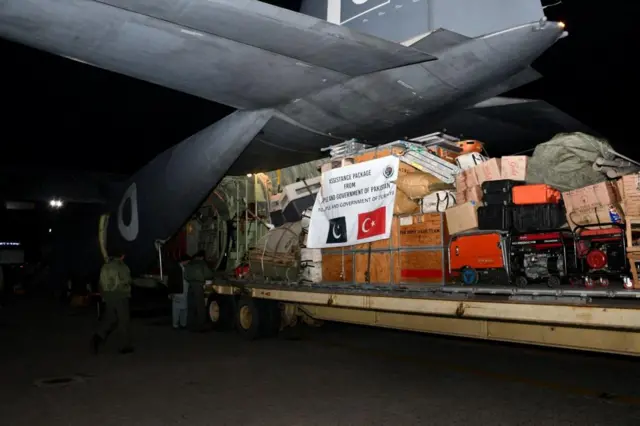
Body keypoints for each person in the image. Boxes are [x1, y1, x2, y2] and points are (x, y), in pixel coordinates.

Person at [91, 251, 133, 354]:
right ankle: (124, 346)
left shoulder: (106, 266)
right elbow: (126, 280)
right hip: (120, 295)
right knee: (123, 320)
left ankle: (98, 337)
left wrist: (104, 295)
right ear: (121, 256)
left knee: (110, 318)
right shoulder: (121, 266)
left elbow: (100, 283)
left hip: (108, 296)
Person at [184, 250, 214, 331]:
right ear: (201, 257)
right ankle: (201, 324)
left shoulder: (189, 264)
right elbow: (209, 274)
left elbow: (185, 276)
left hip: (190, 286)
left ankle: (189, 323)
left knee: (191, 305)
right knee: (200, 306)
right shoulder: (202, 264)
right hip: (198, 286)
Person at [167, 254, 191, 329]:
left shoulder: (186, 268)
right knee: (176, 309)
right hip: (177, 291)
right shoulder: (175, 268)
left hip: (184, 291)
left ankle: (183, 323)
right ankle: (176, 324)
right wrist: (170, 292)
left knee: (184, 308)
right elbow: (170, 281)